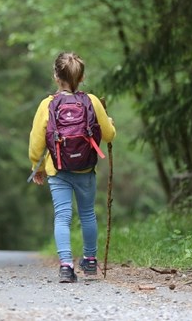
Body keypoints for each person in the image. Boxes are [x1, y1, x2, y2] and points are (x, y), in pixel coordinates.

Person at [28, 52, 116, 283]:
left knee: (62, 216)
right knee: (87, 214)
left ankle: (66, 266)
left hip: (58, 170)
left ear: (56, 76)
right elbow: (108, 135)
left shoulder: (47, 104)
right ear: (82, 76)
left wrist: (36, 167)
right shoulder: (92, 101)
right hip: (85, 169)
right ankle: (90, 261)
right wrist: (111, 125)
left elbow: (36, 141)